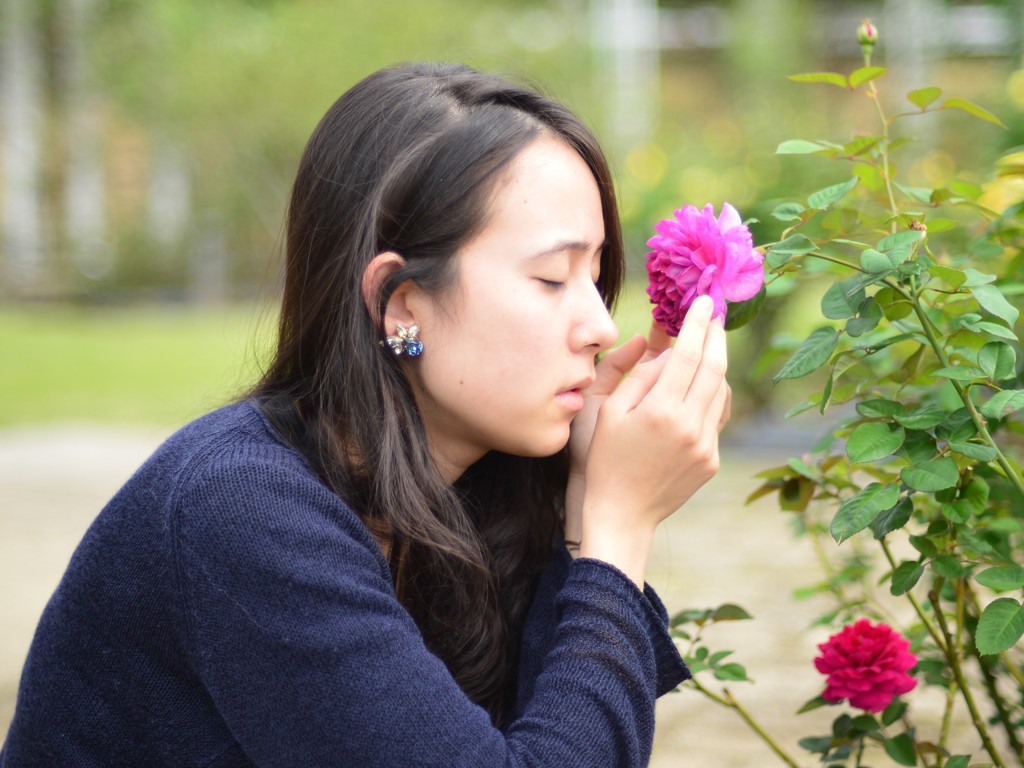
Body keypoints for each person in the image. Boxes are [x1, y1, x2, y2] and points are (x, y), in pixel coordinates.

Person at [1, 62, 729, 767]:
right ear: (401, 304)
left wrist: (583, 523)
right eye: (550, 278)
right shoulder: (241, 510)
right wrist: (618, 531)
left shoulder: (485, 488)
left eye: (597, 277)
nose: (600, 325)